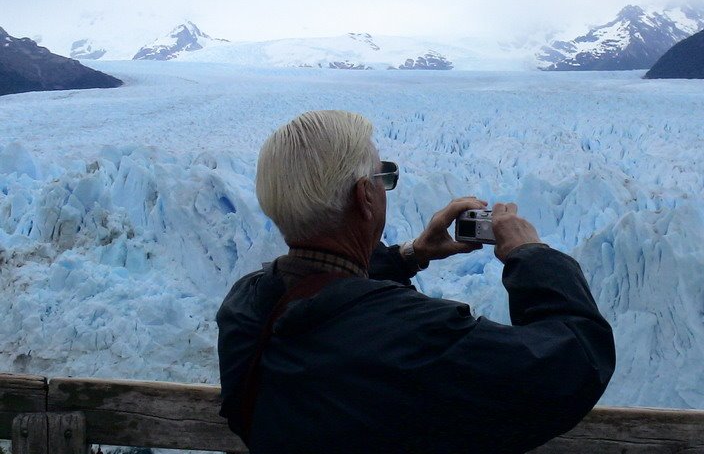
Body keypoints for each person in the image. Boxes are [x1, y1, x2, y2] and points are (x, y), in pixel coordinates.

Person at [217, 110, 615, 453]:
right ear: (365, 198)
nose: (384, 186)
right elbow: (575, 360)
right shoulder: (417, 337)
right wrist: (530, 255)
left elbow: (327, 294)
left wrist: (411, 254)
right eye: (382, 176)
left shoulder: (245, 309)